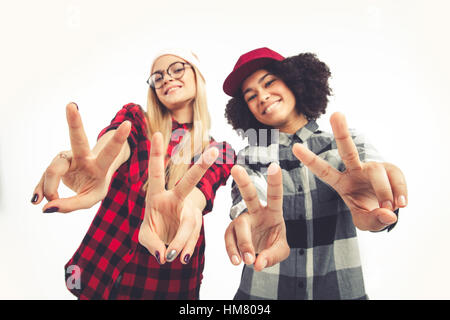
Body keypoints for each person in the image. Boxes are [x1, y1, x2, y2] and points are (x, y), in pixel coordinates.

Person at [31, 49, 235, 299]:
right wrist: (98, 164)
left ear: (197, 76)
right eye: (158, 77)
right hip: (100, 271)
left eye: (177, 69)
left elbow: (202, 186)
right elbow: (115, 143)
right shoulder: (136, 118)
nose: (167, 79)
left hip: (164, 283)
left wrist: (189, 204)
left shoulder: (219, 151)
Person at [222, 47, 408, 299]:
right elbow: (247, 196)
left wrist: (381, 203)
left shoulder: (348, 144)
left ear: (294, 82)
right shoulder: (249, 157)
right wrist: (247, 217)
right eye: (250, 96)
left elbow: (375, 180)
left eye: (269, 83)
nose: (263, 96)